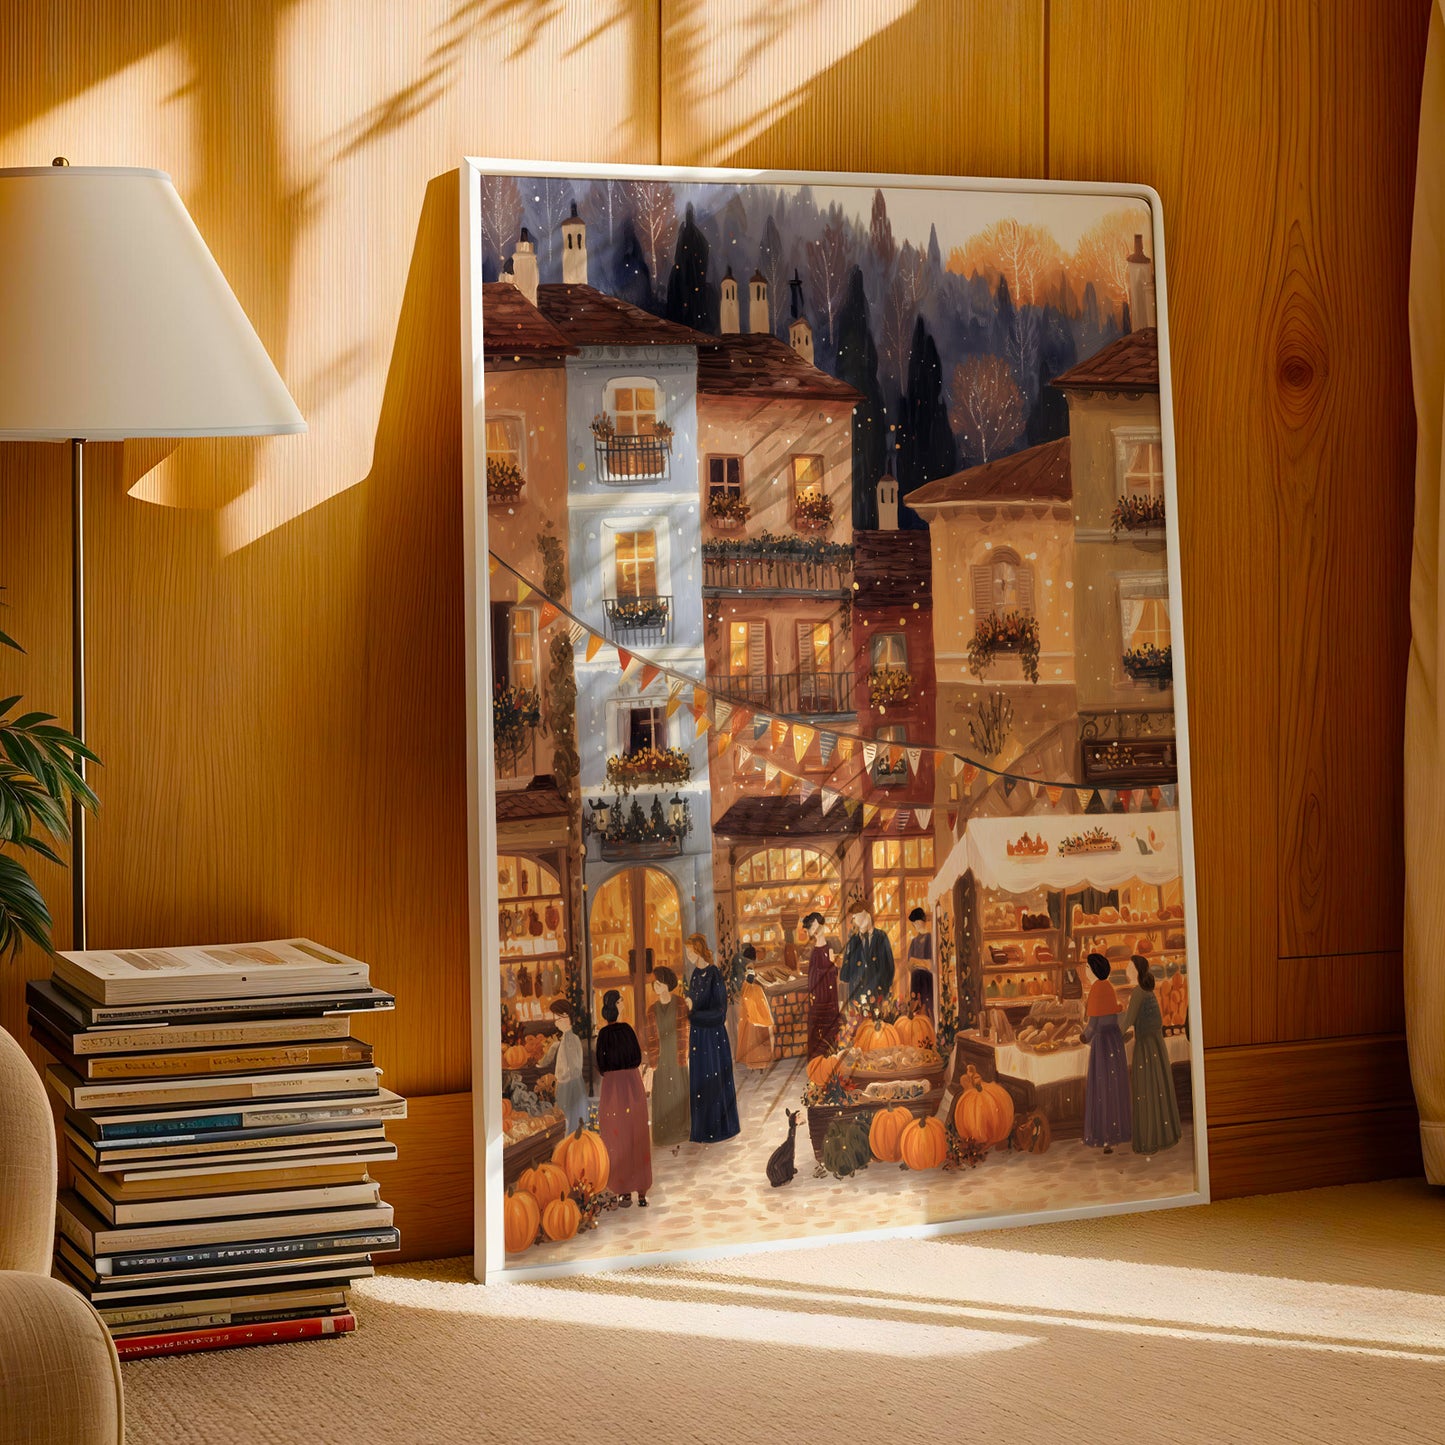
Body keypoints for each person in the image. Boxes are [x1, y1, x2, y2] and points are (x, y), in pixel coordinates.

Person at [1118, 956, 1182, 1156]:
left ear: (1136, 970)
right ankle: (1164, 1136)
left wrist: (1114, 1035)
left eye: (1129, 966)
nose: (1126, 969)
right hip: (1156, 1045)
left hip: (1145, 1047)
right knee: (1158, 1088)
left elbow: (1128, 1020)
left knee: (1145, 1090)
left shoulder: (1138, 992)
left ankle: (1148, 1141)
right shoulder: (1148, 991)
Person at [595, 990, 652, 1206]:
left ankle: (624, 1190)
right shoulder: (627, 1031)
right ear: (615, 1005)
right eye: (620, 1001)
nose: (623, 1003)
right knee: (635, 1134)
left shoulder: (603, 1035)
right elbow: (636, 1057)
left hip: (612, 1089)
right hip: (630, 1085)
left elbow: (601, 1065)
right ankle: (641, 1191)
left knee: (617, 1137)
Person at [683, 933, 740, 1143]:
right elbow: (695, 1001)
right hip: (698, 1036)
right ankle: (703, 1129)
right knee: (700, 1082)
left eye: (690, 951)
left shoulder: (714, 973)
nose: (688, 955)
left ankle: (719, 1128)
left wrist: (693, 1014)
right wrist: (690, 1005)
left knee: (714, 1081)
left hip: (713, 1038)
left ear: (698, 950)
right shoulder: (696, 974)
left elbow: (720, 1012)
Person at [1081, 953, 1132, 1153]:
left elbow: (1093, 1025)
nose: (1085, 971)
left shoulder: (1096, 990)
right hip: (1115, 1042)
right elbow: (1114, 1015)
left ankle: (1103, 1137)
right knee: (1114, 1087)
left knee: (1102, 1088)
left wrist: (1083, 1037)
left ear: (1094, 970)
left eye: (1087, 967)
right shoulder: (1109, 987)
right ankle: (1118, 1132)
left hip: (1102, 1044)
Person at [648, 966, 689, 1146]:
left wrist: (684, 1054)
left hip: (677, 1054)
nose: (655, 986)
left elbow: (685, 1031)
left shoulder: (680, 1004)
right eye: (654, 983)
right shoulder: (652, 1010)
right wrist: (653, 1061)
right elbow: (650, 1037)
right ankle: (664, 1135)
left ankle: (682, 1130)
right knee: (663, 1095)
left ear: (666, 984)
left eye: (658, 983)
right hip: (661, 1056)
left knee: (679, 1091)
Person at [803, 910, 840, 1057]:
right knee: (819, 1029)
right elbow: (812, 978)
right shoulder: (815, 953)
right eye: (813, 927)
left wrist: (833, 968)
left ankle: (831, 1057)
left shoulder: (830, 946)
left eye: (818, 926)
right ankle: (819, 1061)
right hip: (819, 997)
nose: (817, 930)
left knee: (831, 1027)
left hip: (830, 995)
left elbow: (834, 969)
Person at [840, 910, 893, 1007]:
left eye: (860, 918)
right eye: (855, 919)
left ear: (868, 917)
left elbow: (890, 966)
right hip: (857, 994)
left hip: (878, 992)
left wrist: (886, 991)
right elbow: (845, 975)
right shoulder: (853, 941)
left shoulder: (881, 937)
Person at [550, 998, 587, 1132]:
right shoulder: (568, 1038)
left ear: (566, 1016)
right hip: (570, 1084)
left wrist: (560, 1081)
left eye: (558, 1018)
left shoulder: (570, 1039)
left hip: (569, 1085)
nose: (556, 1023)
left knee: (569, 1121)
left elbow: (572, 1067)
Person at [736, 968, 775, 1070]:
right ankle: (752, 1062)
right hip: (749, 1021)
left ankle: (761, 1062)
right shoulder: (745, 988)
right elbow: (744, 1004)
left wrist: (760, 1017)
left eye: (752, 976)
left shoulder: (758, 988)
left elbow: (763, 1005)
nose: (751, 978)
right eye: (749, 976)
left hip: (759, 1021)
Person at [906, 906, 934, 1018]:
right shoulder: (914, 941)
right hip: (915, 978)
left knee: (926, 1007)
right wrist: (915, 963)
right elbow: (909, 965)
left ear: (923, 921)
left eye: (918, 922)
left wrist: (916, 962)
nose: (916, 925)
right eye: (914, 923)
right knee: (914, 1007)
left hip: (926, 979)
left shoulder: (930, 938)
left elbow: (930, 964)